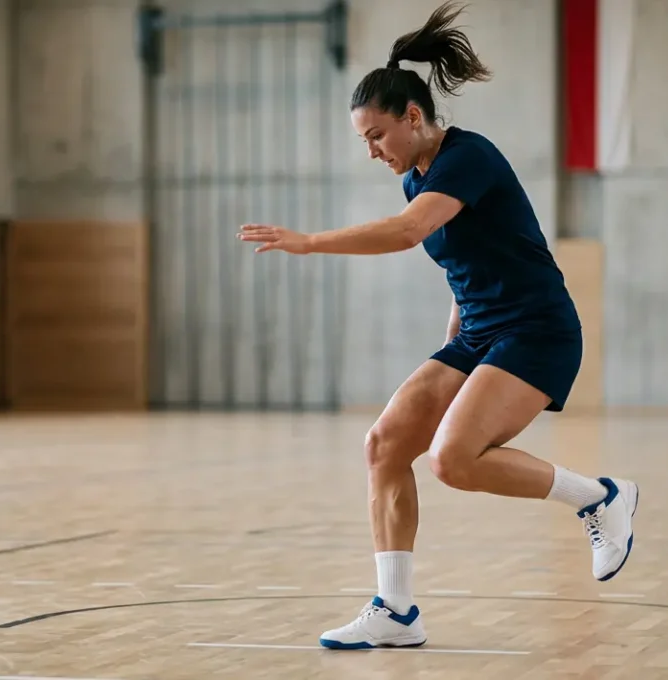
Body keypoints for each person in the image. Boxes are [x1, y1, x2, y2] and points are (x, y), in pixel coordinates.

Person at [236, 1, 639, 651]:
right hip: (478, 332)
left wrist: (310, 241)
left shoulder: (467, 158)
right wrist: (455, 335)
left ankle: (599, 496)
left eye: (375, 136)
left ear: (414, 117)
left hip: (537, 331)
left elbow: (409, 234)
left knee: (453, 460)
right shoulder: (415, 174)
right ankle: (396, 611)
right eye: (363, 140)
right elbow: (465, 257)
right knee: (385, 445)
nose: (371, 152)